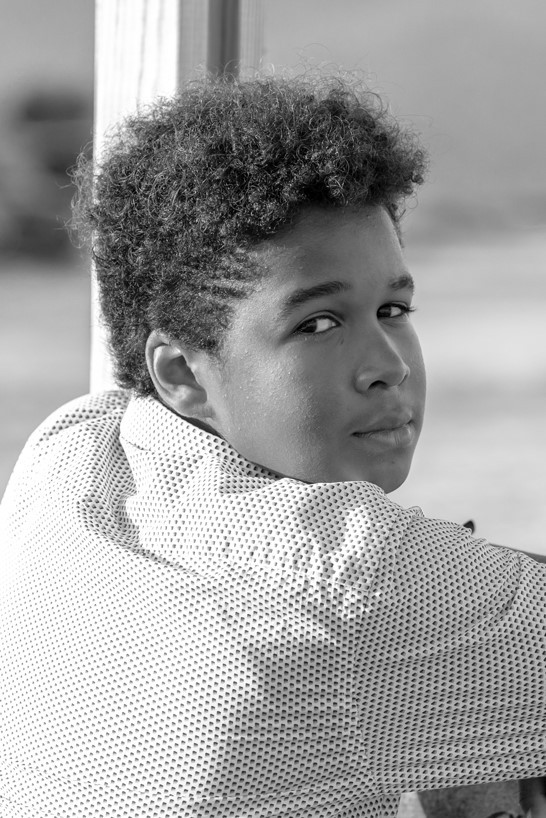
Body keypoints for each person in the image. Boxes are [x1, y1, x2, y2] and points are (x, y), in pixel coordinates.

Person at [0, 73, 545, 818]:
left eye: (394, 309)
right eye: (317, 324)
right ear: (181, 372)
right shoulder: (349, 582)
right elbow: (363, 579)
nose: (388, 365)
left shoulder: (67, 457)